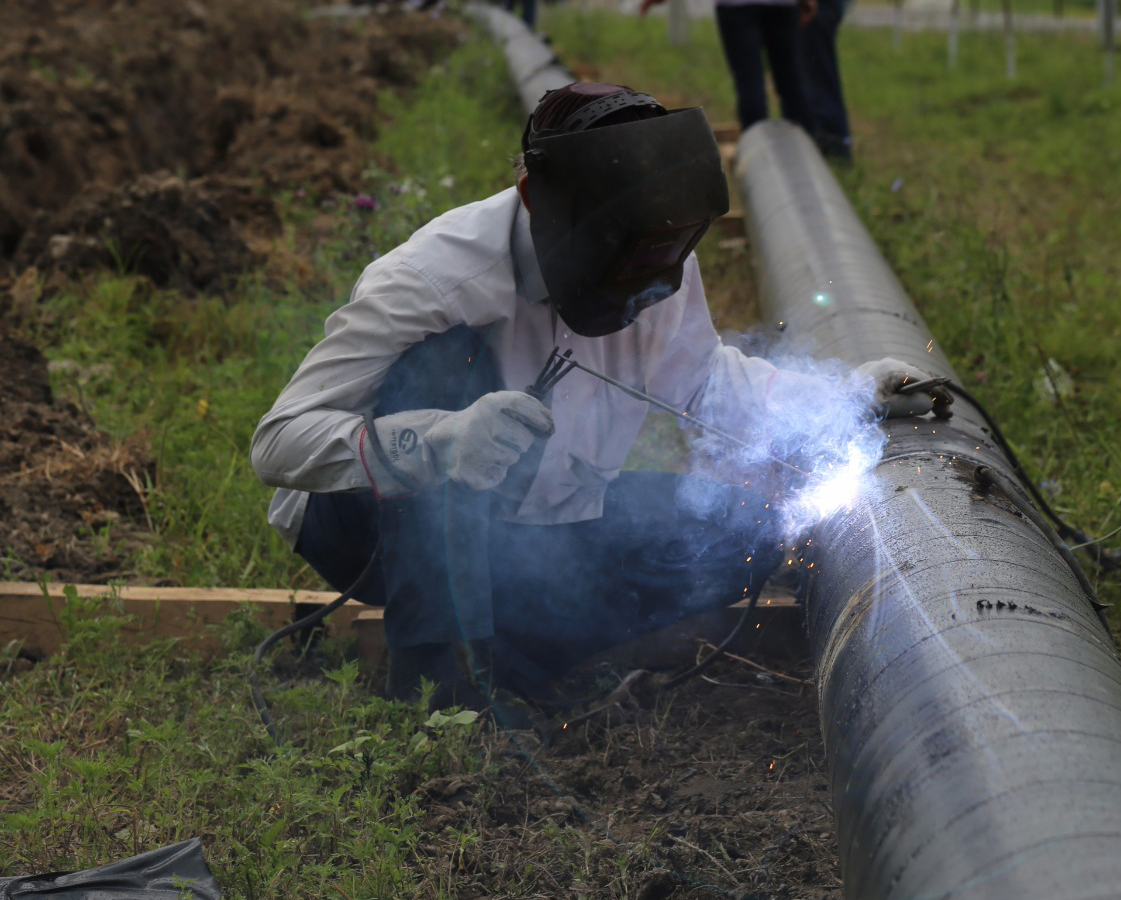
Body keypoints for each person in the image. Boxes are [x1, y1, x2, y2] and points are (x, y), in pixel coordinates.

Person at [250, 83, 946, 718]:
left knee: (741, 533)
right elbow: (279, 441)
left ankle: (516, 656)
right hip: (367, 531)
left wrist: (844, 397)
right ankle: (440, 679)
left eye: (666, 257)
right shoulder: (435, 279)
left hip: (527, 530)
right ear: (534, 197)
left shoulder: (656, 249)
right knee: (441, 365)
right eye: (630, 258)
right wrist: (438, 440)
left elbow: (707, 383)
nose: (651, 285)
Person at [640, 0, 816, 137]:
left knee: (749, 81)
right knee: (790, 80)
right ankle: (808, 146)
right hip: (781, 7)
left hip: (737, 7)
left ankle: (757, 148)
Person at [798, 0, 852, 161]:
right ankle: (830, 143)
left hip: (818, 7)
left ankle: (834, 147)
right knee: (813, 73)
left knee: (817, 74)